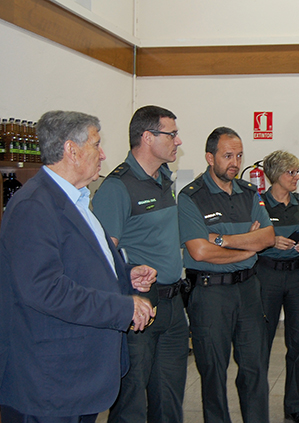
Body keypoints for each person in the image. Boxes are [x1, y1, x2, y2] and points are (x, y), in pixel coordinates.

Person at [0, 110, 157, 423]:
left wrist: (125, 275)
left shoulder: (78, 200)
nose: (103, 154)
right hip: (49, 383)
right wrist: (122, 307)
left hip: (77, 376)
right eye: (96, 145)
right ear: (71, 150)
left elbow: (80, 263)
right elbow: (44, 289)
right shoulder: (34, 205)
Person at [92, 105, 188, 423]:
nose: (178, 141)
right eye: (171, 134)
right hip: (140, 307)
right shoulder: (117, 187)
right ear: (147, 137)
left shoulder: (164, 179)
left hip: (173, 305)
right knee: (131, 401)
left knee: (169, 400)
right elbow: (102, 256)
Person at [178, 126, 275, 423]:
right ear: (210, 157)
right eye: (228, 156)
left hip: (248, 291)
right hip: (210, 293)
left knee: (255, 368)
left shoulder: (249, 193)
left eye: (239, 156)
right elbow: (199, 252)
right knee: (213, 372)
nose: (235, 162)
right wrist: (247, 247)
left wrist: (221, 240)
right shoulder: (191, 197)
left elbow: (267, 237)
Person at [258, 150, 299, 423]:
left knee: (297, 342)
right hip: (266, 276)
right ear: (275, 175)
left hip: (298, 278)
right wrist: (270, 241)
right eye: (290, 172)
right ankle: (257, 407)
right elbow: (247, 238)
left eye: (296, 172)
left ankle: (294, 406)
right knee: (261, 344)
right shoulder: (258, 204)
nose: (296, 177)